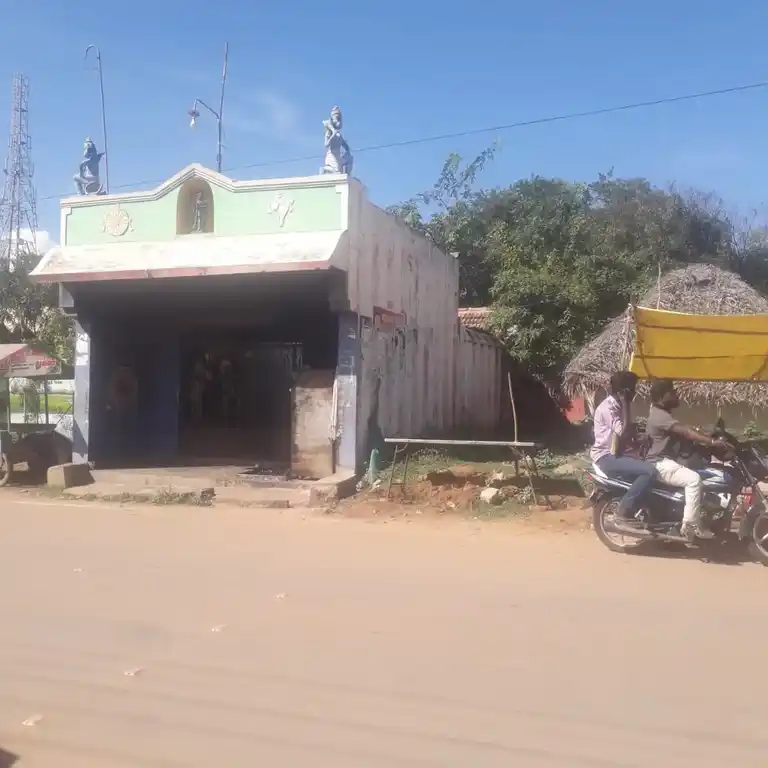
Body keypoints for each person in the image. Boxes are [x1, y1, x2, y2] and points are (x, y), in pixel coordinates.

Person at [646, 379, 729, 541]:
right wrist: (712, 442)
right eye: (672, 393)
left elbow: (688, 430)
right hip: (659, 463)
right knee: (694, 480)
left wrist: (706, 433)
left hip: (667, 461)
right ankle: (690, 526)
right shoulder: (659, 415)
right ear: (663, 396)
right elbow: (686, 432)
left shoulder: (663, 414)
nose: (676, 395)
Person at [591, 371, 656, 521]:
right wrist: (626, 403)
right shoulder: (609, 408)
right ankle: (624, 510)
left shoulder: (618, 405)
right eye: (632, 389)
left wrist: (641, 440)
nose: (634, 393)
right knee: (649, 472)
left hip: (617, 455)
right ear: (623, 392)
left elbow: (627, 435)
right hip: (606, 458)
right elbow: (624, 432)